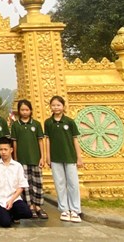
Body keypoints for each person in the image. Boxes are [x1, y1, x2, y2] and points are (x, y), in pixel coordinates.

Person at [45, 95, 84, 223]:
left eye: (58, 105)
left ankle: (75, 210)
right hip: (55, 157)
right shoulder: (48, 122)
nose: (56, 107)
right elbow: (48, 140)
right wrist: (48, 156)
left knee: (73, 184)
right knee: (59, 184)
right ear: (50, 107)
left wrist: (79, 157)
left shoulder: (69, 122)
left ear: (63, 106)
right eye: (53, 105)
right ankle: (64, 209)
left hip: (70, 157)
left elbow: (75, 140)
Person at [11, 99, 48, 219]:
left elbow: (40, 141)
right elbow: (14, 143)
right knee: (25, 183)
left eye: (27, 109)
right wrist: (15, 158)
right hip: (22, 159)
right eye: (22, 110)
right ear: (19, 111)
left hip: (35, 158)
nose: (24, 112)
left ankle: (38, 205)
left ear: (31, 110)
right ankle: (30, 206)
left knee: (38, 182)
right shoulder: (16, 125)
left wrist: (42, 157)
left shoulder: (36, 124)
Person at [0, 137, 32, 227]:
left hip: (14, 198)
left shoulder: (17, 166)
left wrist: (11, 200)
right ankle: (3, 214)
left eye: (5, 149)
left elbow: (21, 186)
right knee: (6, 223)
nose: (3, 152)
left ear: (11, 150)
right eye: (1, 149)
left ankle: (12, 214)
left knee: (27, 213)